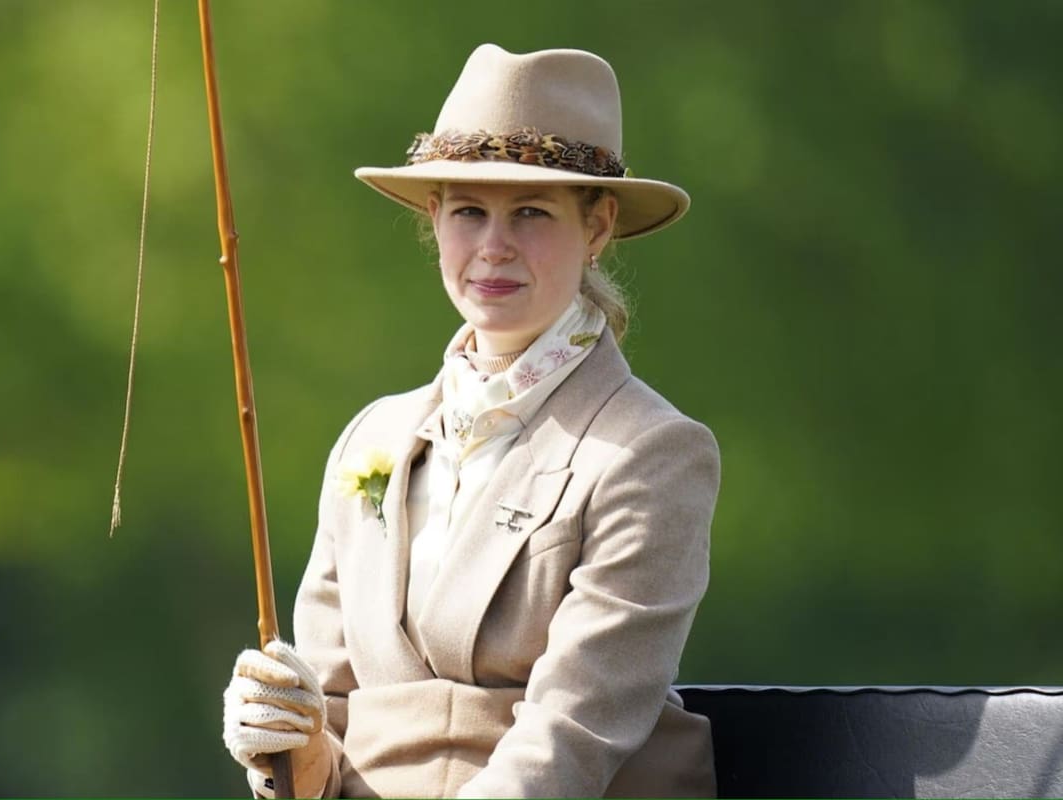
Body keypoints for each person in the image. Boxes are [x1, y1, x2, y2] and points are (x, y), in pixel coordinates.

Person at [222, 43, 720, 798]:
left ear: (598, 227)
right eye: (468, 211)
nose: (493, 247)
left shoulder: (652, 453)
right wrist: (283, 739)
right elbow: (332, 720)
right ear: (434, 220)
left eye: (530, 212)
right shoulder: (373, 439)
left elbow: (574, 734)